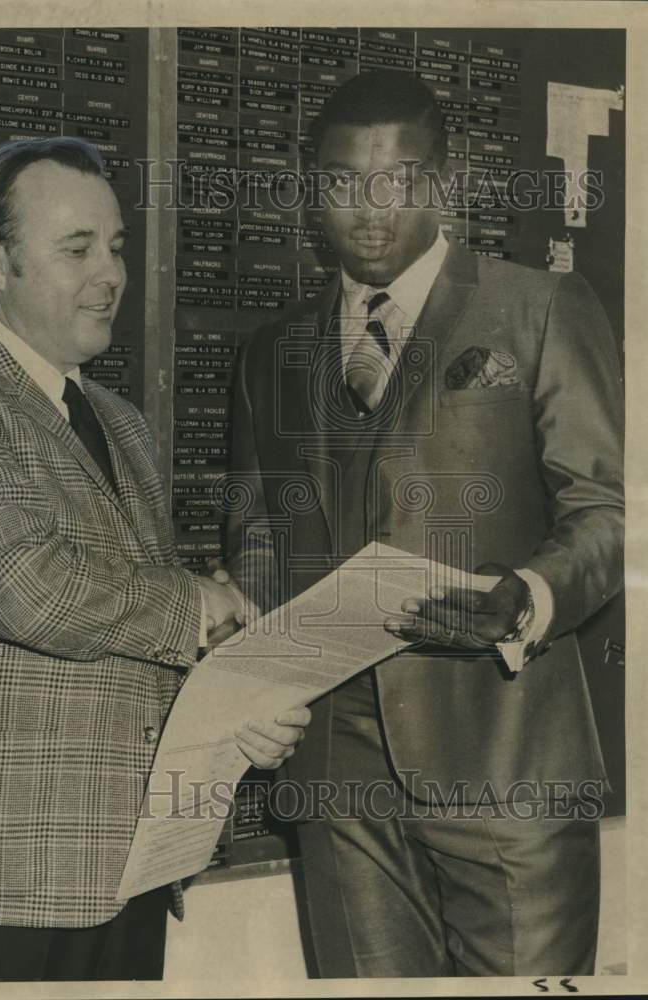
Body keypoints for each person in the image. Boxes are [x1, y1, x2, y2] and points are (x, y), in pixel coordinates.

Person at [0, 137, 309, 984]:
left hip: (126, 872)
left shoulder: (120, 423)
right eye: (76, 249)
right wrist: (202, 608)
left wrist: (236, 704)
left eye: (114, 247)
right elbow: (24, 591)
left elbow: (141, 631)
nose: (109, 272)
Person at [225, 69, 624, 977]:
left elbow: (610, 514)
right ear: (309, 186)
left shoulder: (540, 311)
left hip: (510, 766)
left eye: (398, 181)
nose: (369, 211)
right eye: (340, 182)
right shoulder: (270, 350)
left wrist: (522, 598)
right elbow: (254, 531)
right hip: (337, 778)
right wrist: (248, 673)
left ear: (445, 181)